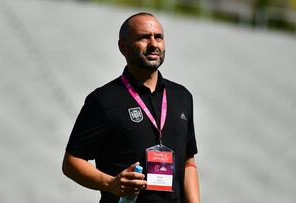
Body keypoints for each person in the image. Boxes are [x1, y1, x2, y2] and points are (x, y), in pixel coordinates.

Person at [62, 12, 199, 203]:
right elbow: (70, 163)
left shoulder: (182, 96)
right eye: (144, 37)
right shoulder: (103, 100)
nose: (153, 44)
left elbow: (187, 162)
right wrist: (111, 184)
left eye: (158, 37)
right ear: (122, 47)